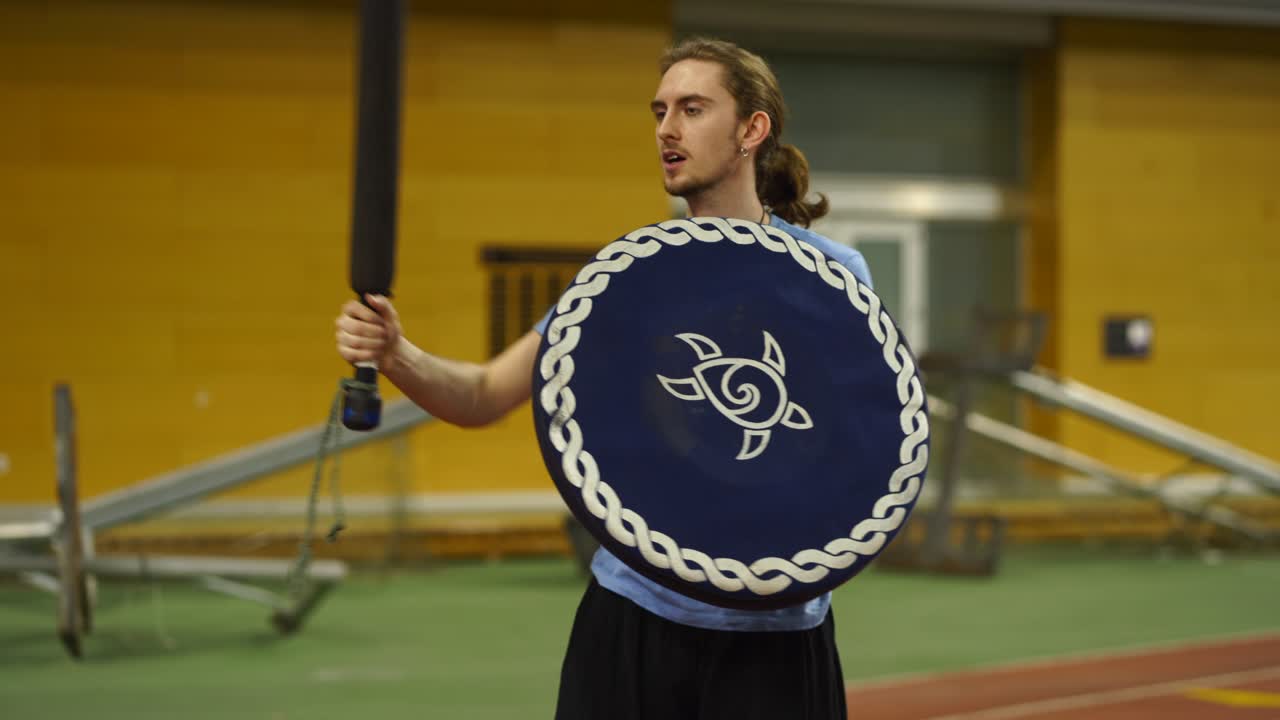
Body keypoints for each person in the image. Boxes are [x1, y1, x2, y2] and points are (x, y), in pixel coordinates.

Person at [335, 37, 872, 720]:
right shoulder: (628, 281)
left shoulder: (834, 278)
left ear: (752, 129)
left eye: (693, 108)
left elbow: (864, 441)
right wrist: (396, 353)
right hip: (638, 621)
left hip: (778, 636)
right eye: (659, 111)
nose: (667, 129)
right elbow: (480, 397)